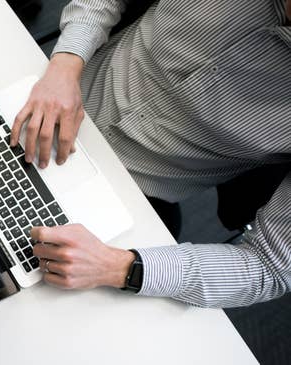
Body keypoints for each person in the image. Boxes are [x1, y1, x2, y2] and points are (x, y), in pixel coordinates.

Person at [14, 0, 291, 308]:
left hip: (126, 198)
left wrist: (118, 267)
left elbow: (269, 266)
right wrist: (65, 65)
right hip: (48, 88)